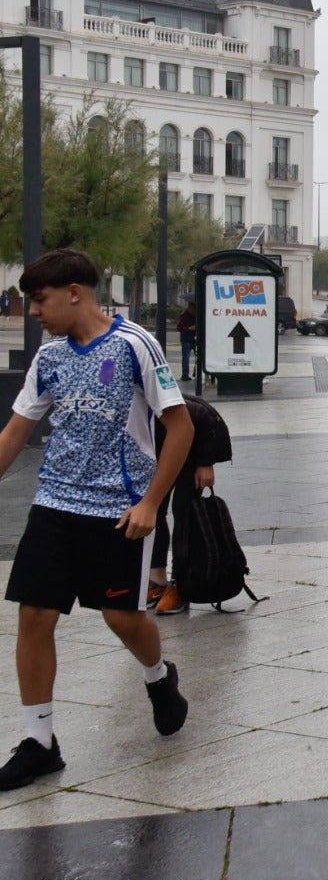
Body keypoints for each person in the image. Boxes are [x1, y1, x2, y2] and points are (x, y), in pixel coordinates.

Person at [0, 249, 193, 791]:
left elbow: (180, 428)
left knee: (122, 619)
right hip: (55, 503)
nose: (33, 312)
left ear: (74, 293)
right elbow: (15, 432)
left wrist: (150, 503)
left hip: (119, 510)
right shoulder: (49, 357)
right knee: (34, 615)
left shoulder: (134, 345)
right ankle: (39, 742)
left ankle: (158, 677)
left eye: (39, 300)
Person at [147, 394, 233, 614]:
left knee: (184, 512)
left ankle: (181, 583)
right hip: (161, 453)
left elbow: (201, 416)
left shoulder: (149, 396)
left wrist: (205, 463)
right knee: (153, 510)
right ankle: (157, 580)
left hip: (193, 451)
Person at [176, 302, 197, 381]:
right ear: (189, 308)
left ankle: (195, 372)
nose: (193, 311)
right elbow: (179, 328)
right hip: (186, 339)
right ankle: (185, 375)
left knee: (196, 357)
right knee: (186, 358)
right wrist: (189, 328)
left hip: (194, 338)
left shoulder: (196, 316)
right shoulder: (184, 316)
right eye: (192, 309)